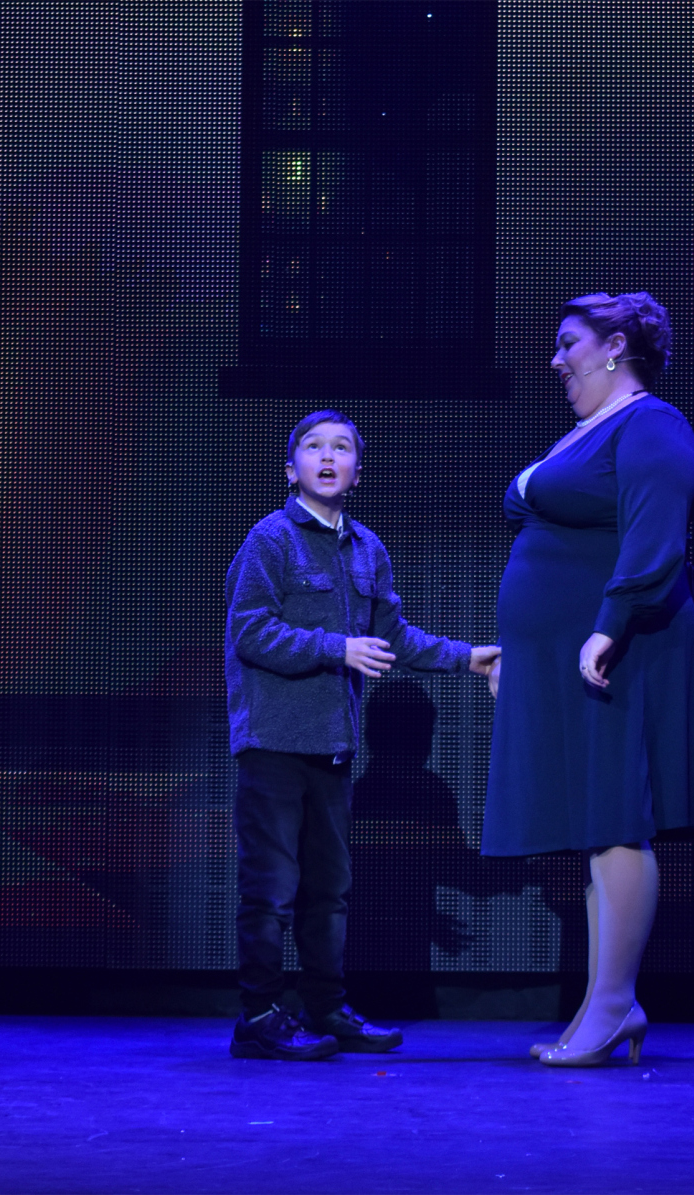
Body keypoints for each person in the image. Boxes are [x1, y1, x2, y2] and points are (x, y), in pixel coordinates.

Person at [483, 293, 694, 1067]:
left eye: (568, 343)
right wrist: (520, 650)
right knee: (594, 824)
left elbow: (657, 535)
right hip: (568, 650)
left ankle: (615, 1001)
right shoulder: (587, 431)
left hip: (621, 647)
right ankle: (604, 1001)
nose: (555, 360)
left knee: (617, 815)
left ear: (616, 345)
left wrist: (609, 625)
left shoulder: (652, 424)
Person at [225, 410, 500, 1060]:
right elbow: (250, 631)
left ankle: (325, 1006)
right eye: (313, 447)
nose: (327, 456)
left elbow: (394, 637)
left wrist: (468, 657)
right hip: (273, 743)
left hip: (332, 746)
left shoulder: (368, 548)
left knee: (329, 890)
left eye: (341, 447)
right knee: (271, 889)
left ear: (356, 471)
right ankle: (258, 1017)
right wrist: (334, 646)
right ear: (290, 469)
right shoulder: (270, 539)